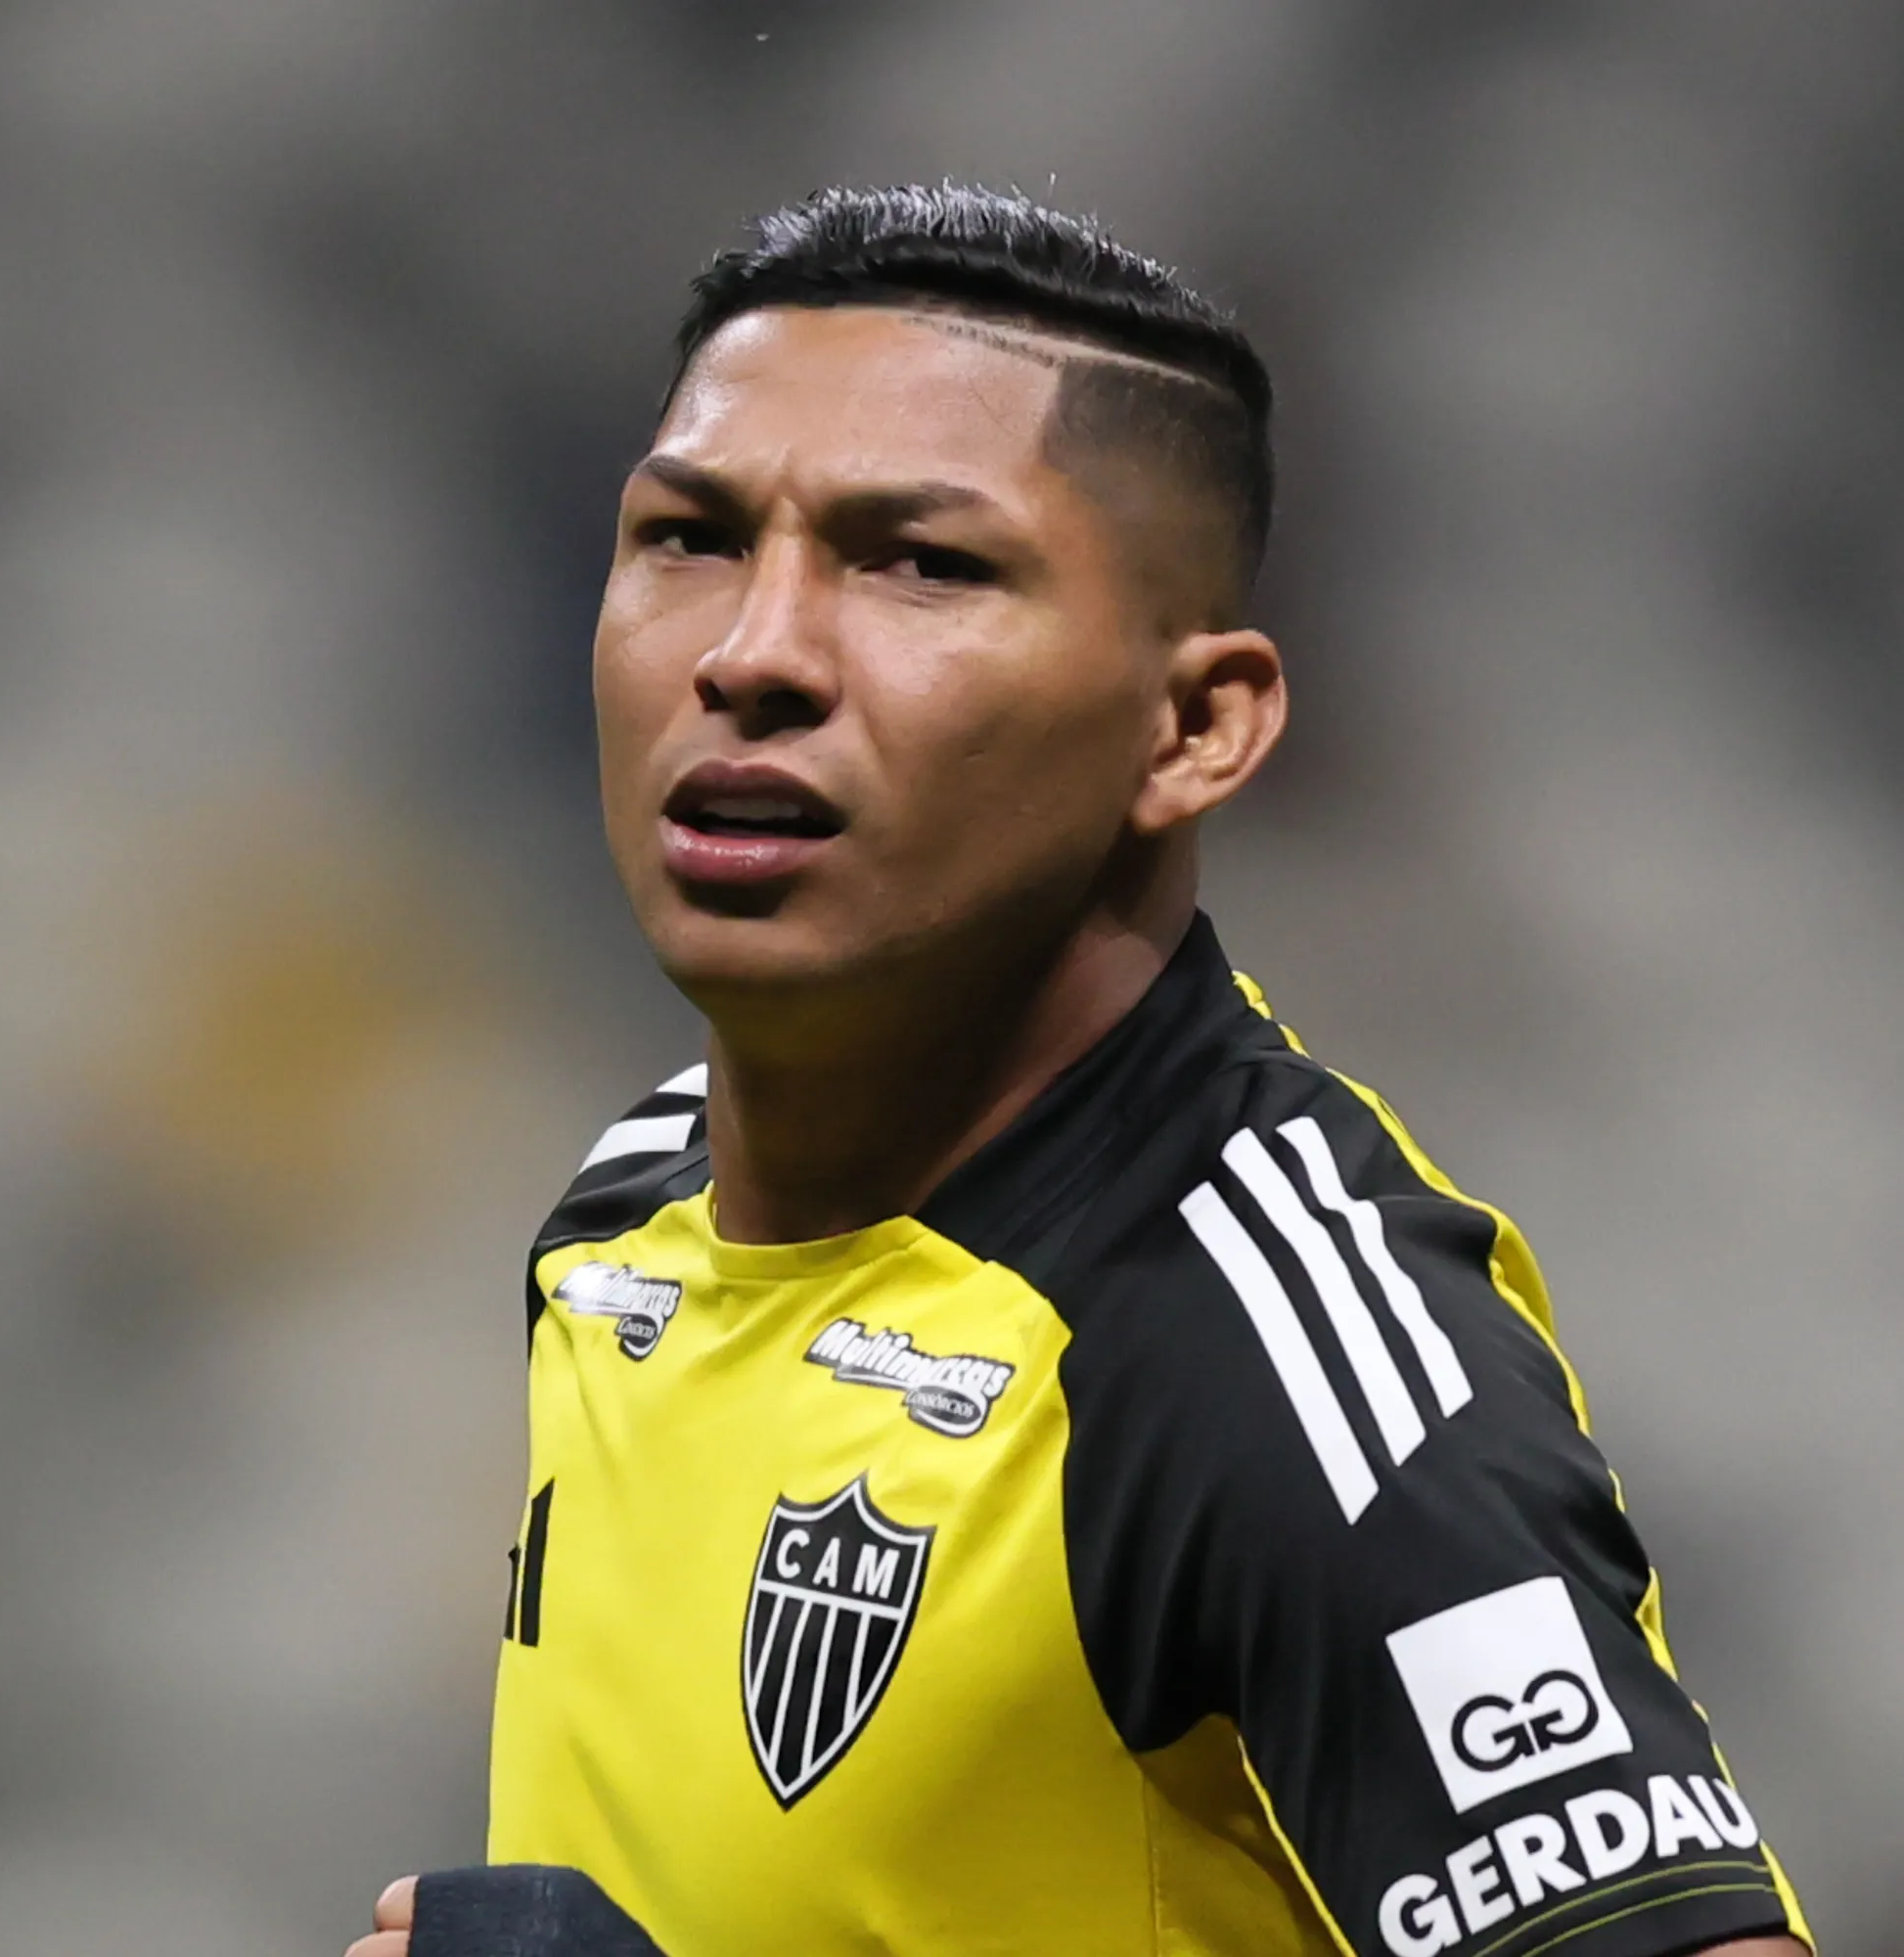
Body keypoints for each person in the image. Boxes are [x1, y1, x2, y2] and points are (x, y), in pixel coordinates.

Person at [348, 185, 1811, 1957]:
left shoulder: (1255, 1365)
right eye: (688, 537)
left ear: (1194, 728)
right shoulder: (624, 1213)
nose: (752, 656)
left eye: (922, 563)